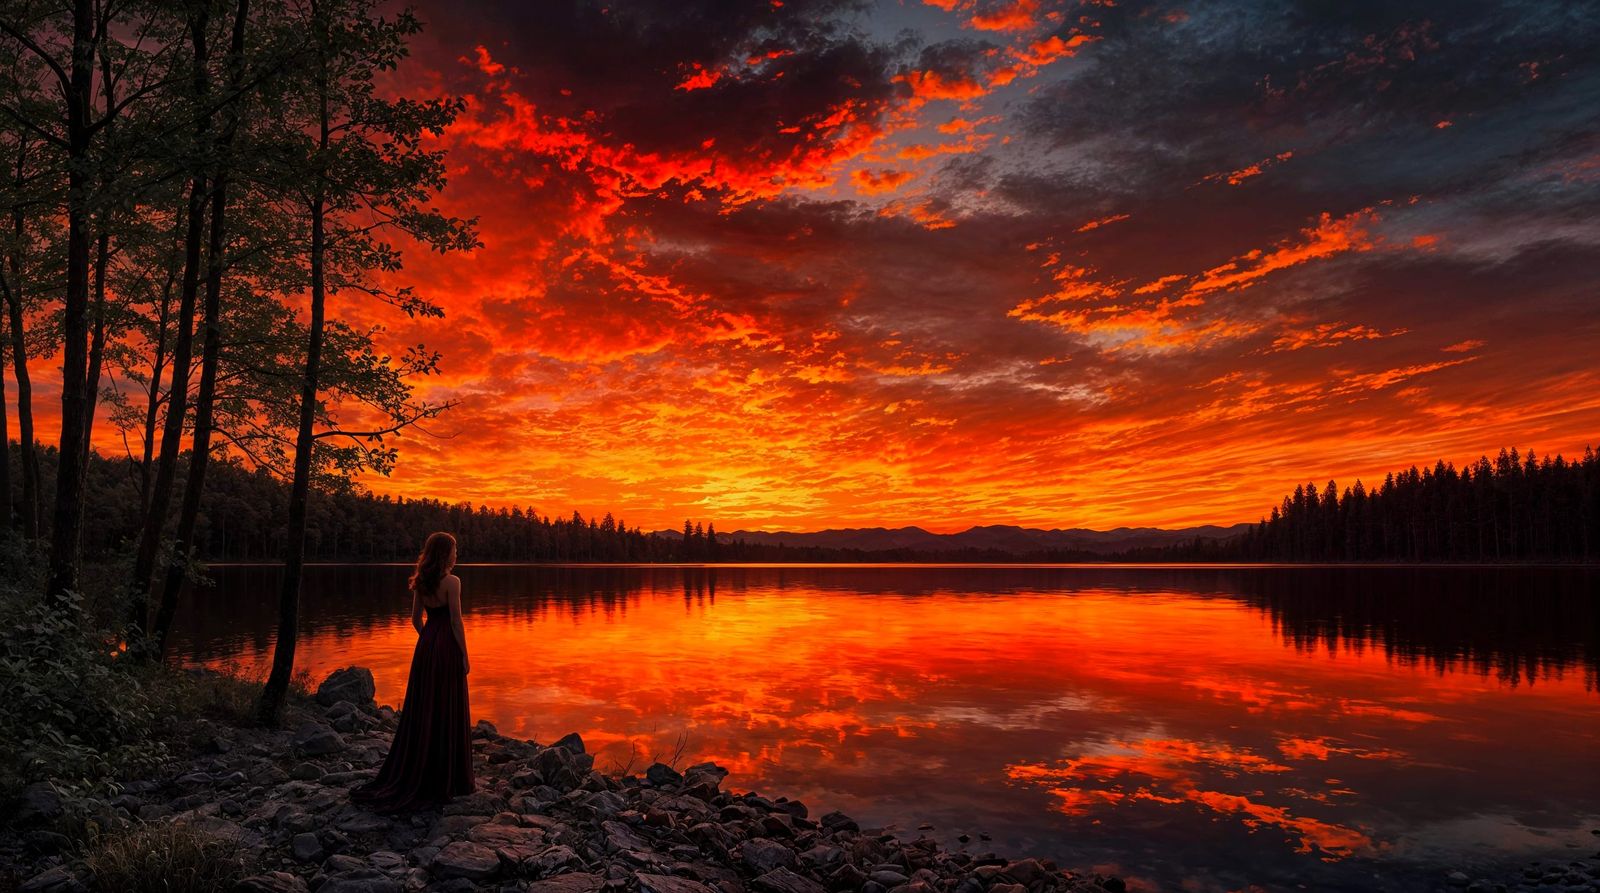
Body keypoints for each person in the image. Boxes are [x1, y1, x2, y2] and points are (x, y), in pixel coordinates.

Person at [352, 531, 474, 811]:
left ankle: (422, 766)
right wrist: (463, 655)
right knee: (446, 704)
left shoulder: (421, 581)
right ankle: (449, 777)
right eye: (454, 549)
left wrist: (429, 640)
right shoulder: (452, 582)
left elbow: (414, 619)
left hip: (427, 645)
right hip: (446, 646)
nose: (457, 554)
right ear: (446, 553)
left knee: (425, 704)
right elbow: (456, 622)